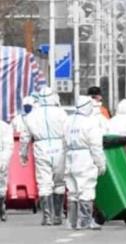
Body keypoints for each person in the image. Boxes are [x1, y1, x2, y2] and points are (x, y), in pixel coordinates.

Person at [19, 86, 68, 225]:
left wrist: (23, 154)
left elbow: (24, 137)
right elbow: (67, 132)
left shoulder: (31, 116)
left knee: (44, 182)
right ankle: (58, 215)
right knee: (59, 182)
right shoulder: (61, 113)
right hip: (59, 147)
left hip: (41, 147)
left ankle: (47, 216)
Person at [63, 96, 106, 230]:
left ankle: (72, 222)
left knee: (72, 190)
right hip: (85, 157)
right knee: (86, 189)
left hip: (70, 156)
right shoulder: (90, 123)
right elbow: (96, 146)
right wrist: (101, 164)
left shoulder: (68, 121)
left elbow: (63, 142)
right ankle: (85, 222)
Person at [0, 120, 14, 222]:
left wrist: (4, 160)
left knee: (1, 186)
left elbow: (8, 146)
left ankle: (1, 206)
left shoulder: (4, 127)